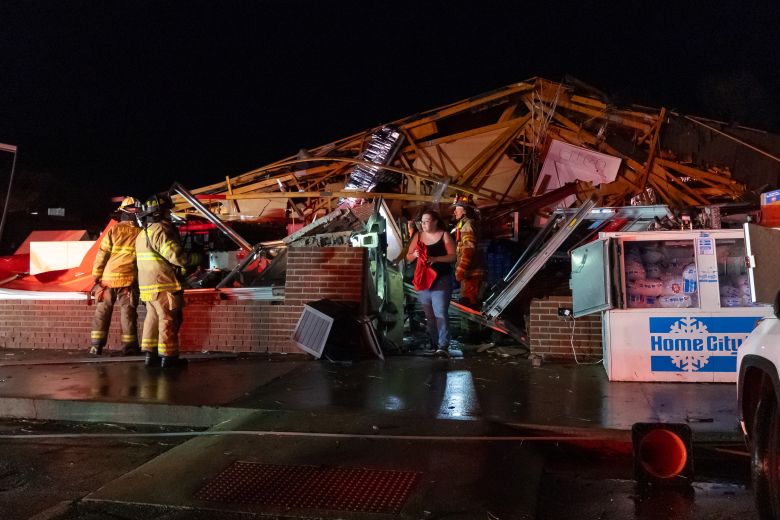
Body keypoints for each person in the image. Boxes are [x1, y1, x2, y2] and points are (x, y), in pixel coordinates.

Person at [135, 193, 200, 369]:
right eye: (166, 212)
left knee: (152, 319)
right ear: (160, 213)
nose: (169, 215)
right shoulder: (161, 231)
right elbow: (176, 256)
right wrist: (196, 258)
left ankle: (151, 356)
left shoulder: (142, 234)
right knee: (168, 320)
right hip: (163, 284)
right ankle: (169, 358)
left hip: (148, 286)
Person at [89, 196, 142, 356]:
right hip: (128, 281)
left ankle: (96, 346)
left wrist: (96, 277)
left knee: (102, 312)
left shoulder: (113, 230)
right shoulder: (140, 234)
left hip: (108, 280)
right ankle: (130, 347)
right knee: (128, 314)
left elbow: (102, 255)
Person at [405, 209, 456, 355]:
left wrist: (436, 259)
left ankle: (443, 345)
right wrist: (414, 255)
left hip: (441, 279)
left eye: (427, 221)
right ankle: (434, 344)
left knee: (440, 312)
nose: (424, 224)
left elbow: (453, 257)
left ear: (435, 222)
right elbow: (408, 257)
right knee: (430, 315)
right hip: (423, 281)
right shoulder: (418, 236)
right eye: (422, 221)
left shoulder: (444, 235)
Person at [452, 194, 486, 343]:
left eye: (457, 209)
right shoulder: (464, 224)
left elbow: (468, 249)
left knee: (469, 304)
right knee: (467, 302)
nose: (454, 212)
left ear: (465, 211)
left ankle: (472, 337)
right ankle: (469, 334)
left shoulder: (467, 226)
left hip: (471, 273)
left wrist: (461, 268)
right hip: (470, 273)